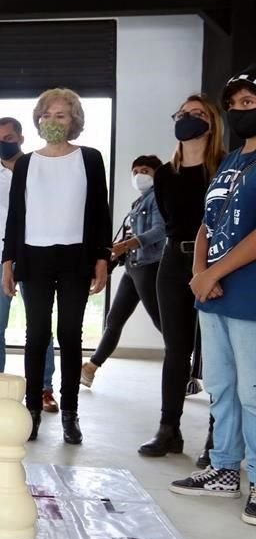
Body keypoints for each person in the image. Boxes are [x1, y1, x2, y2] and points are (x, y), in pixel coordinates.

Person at [171, 64, 256, 527]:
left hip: (247, 294)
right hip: (214, 292)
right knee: (220, 386)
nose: (241, 111)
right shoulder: (229, 162)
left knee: (252, 392)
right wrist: (201, 271)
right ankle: (224, 468)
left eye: (249, 103)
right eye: (235, 105)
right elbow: (208, 223)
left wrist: (215, 272)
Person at [2, 88, 112, 445]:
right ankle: (31, 410)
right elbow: (15, 217)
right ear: (37, 120)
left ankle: (70, 412)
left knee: (69, 334)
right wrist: (8, 262)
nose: (52, 121)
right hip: (33, 258)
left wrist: (103, 258)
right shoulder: (26, 164)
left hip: (75, 257)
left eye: (61, 115)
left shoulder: (91, 159)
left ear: (75, 121)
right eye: (46, 115)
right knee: (35, 336)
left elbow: (100, 213)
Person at [144, 95, 226, 457]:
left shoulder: (224, 167)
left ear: (212, 123)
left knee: (214, 353)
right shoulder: (164, 174)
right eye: (182, 114)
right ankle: (168, 429)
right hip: (173, 263)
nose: (187, 119)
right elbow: (168, 220)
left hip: (216, 264)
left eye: (197, 114)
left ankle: (216, 437)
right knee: (175, 350)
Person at [0, 117, 56, 410]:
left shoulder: (38, 170)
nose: (1, 144)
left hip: (33, 258)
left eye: (7, 138)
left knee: (39, 326)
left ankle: (44, 388)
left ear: (20, 138)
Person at [81, 156, 165, 387]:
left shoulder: (158, 198)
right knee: (115, 318)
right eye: (135, 171)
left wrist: (129, 245)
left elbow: (161, 231)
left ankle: (186, 369)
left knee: (163, 323)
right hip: (133, 267)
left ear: (157, 173)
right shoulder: (138, 203)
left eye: (145, 170)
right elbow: (128, 235)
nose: (139, 175)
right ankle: (90, 368)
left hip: (149, 267)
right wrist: (119, 249)